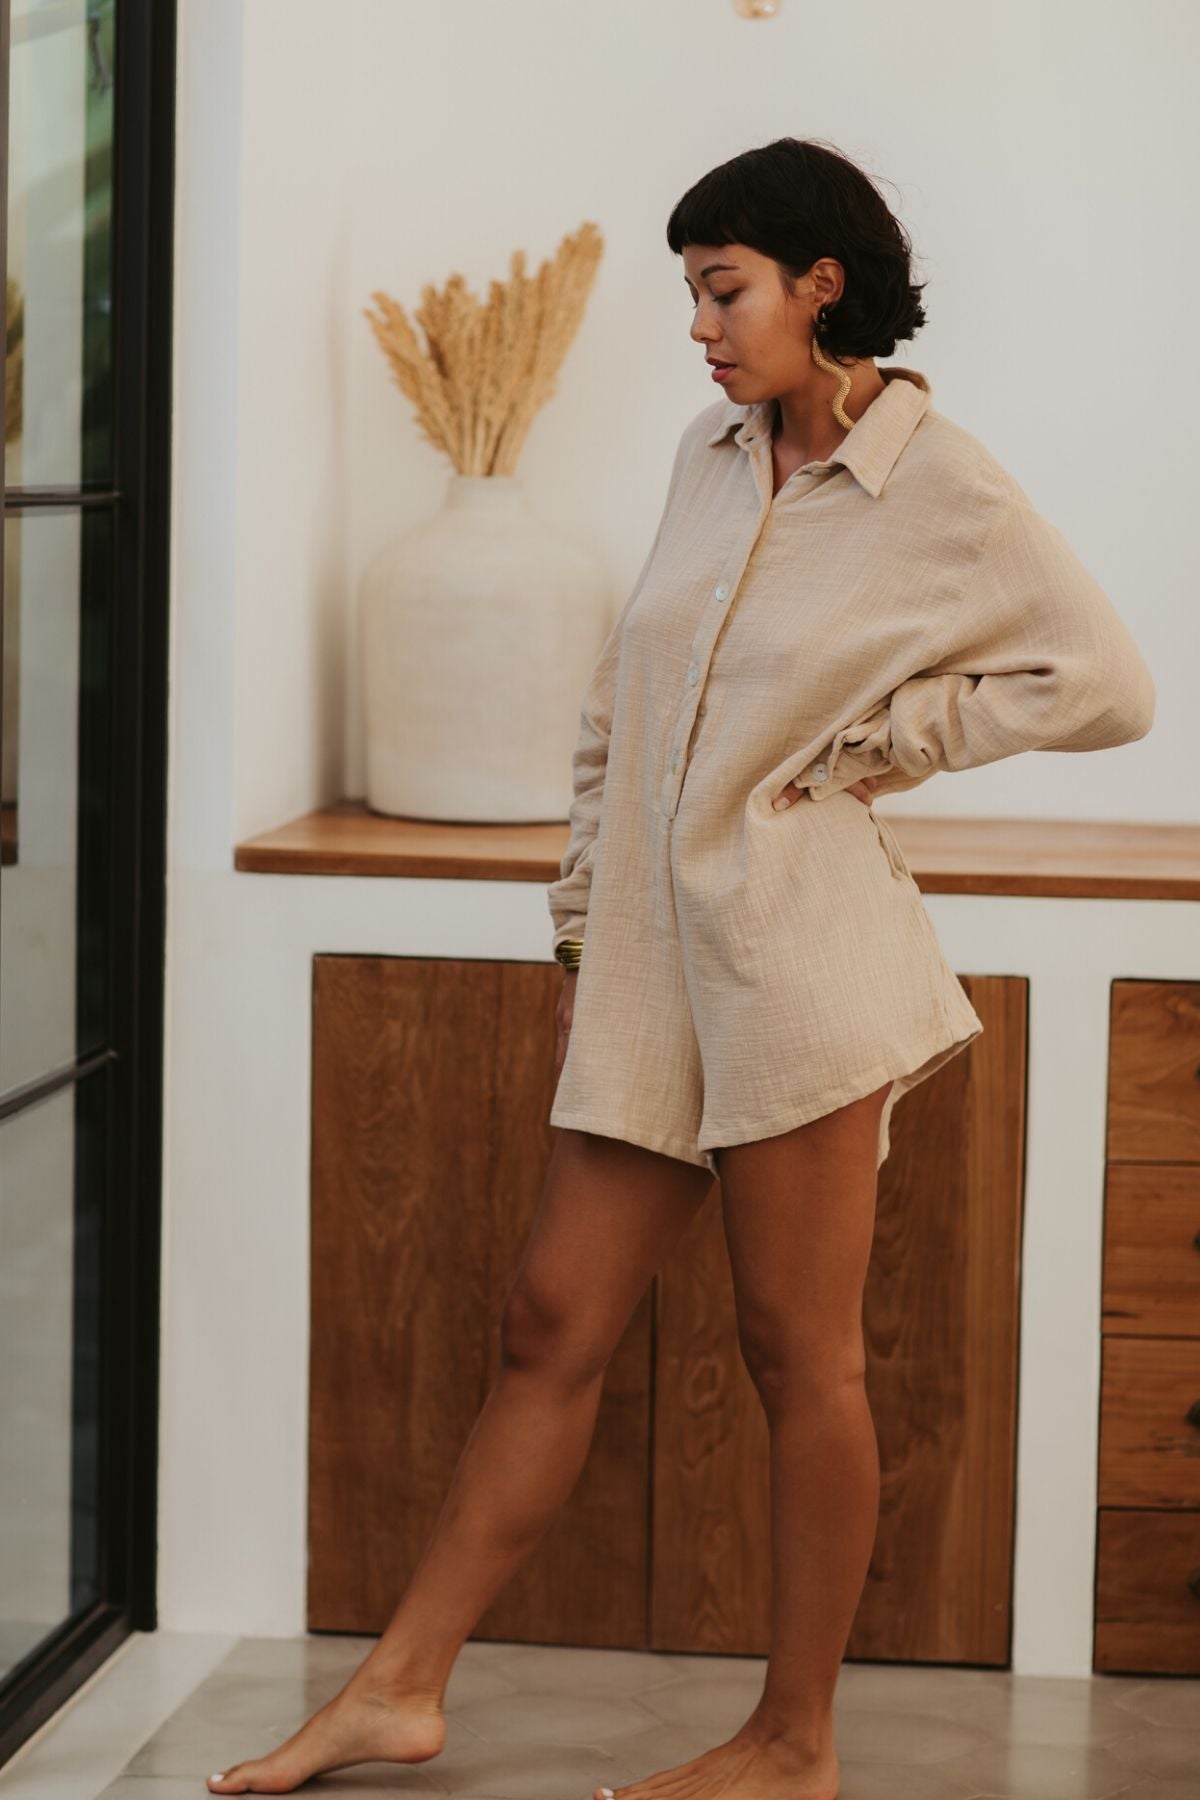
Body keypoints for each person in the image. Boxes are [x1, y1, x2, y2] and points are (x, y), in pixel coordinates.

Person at [207, 138, 1155, 1800]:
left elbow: (1103, 681)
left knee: (802, 1358)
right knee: (544, 1322)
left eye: (723, 292)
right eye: (693, 295)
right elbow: (613, 711)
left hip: (799, 956)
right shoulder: (707, 459)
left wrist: (880, 740)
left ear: (821, 284)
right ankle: (400, 1689)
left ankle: (795, 1742)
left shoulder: (943, 485)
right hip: (650, 960)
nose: (702, 328)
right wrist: (581, 922)